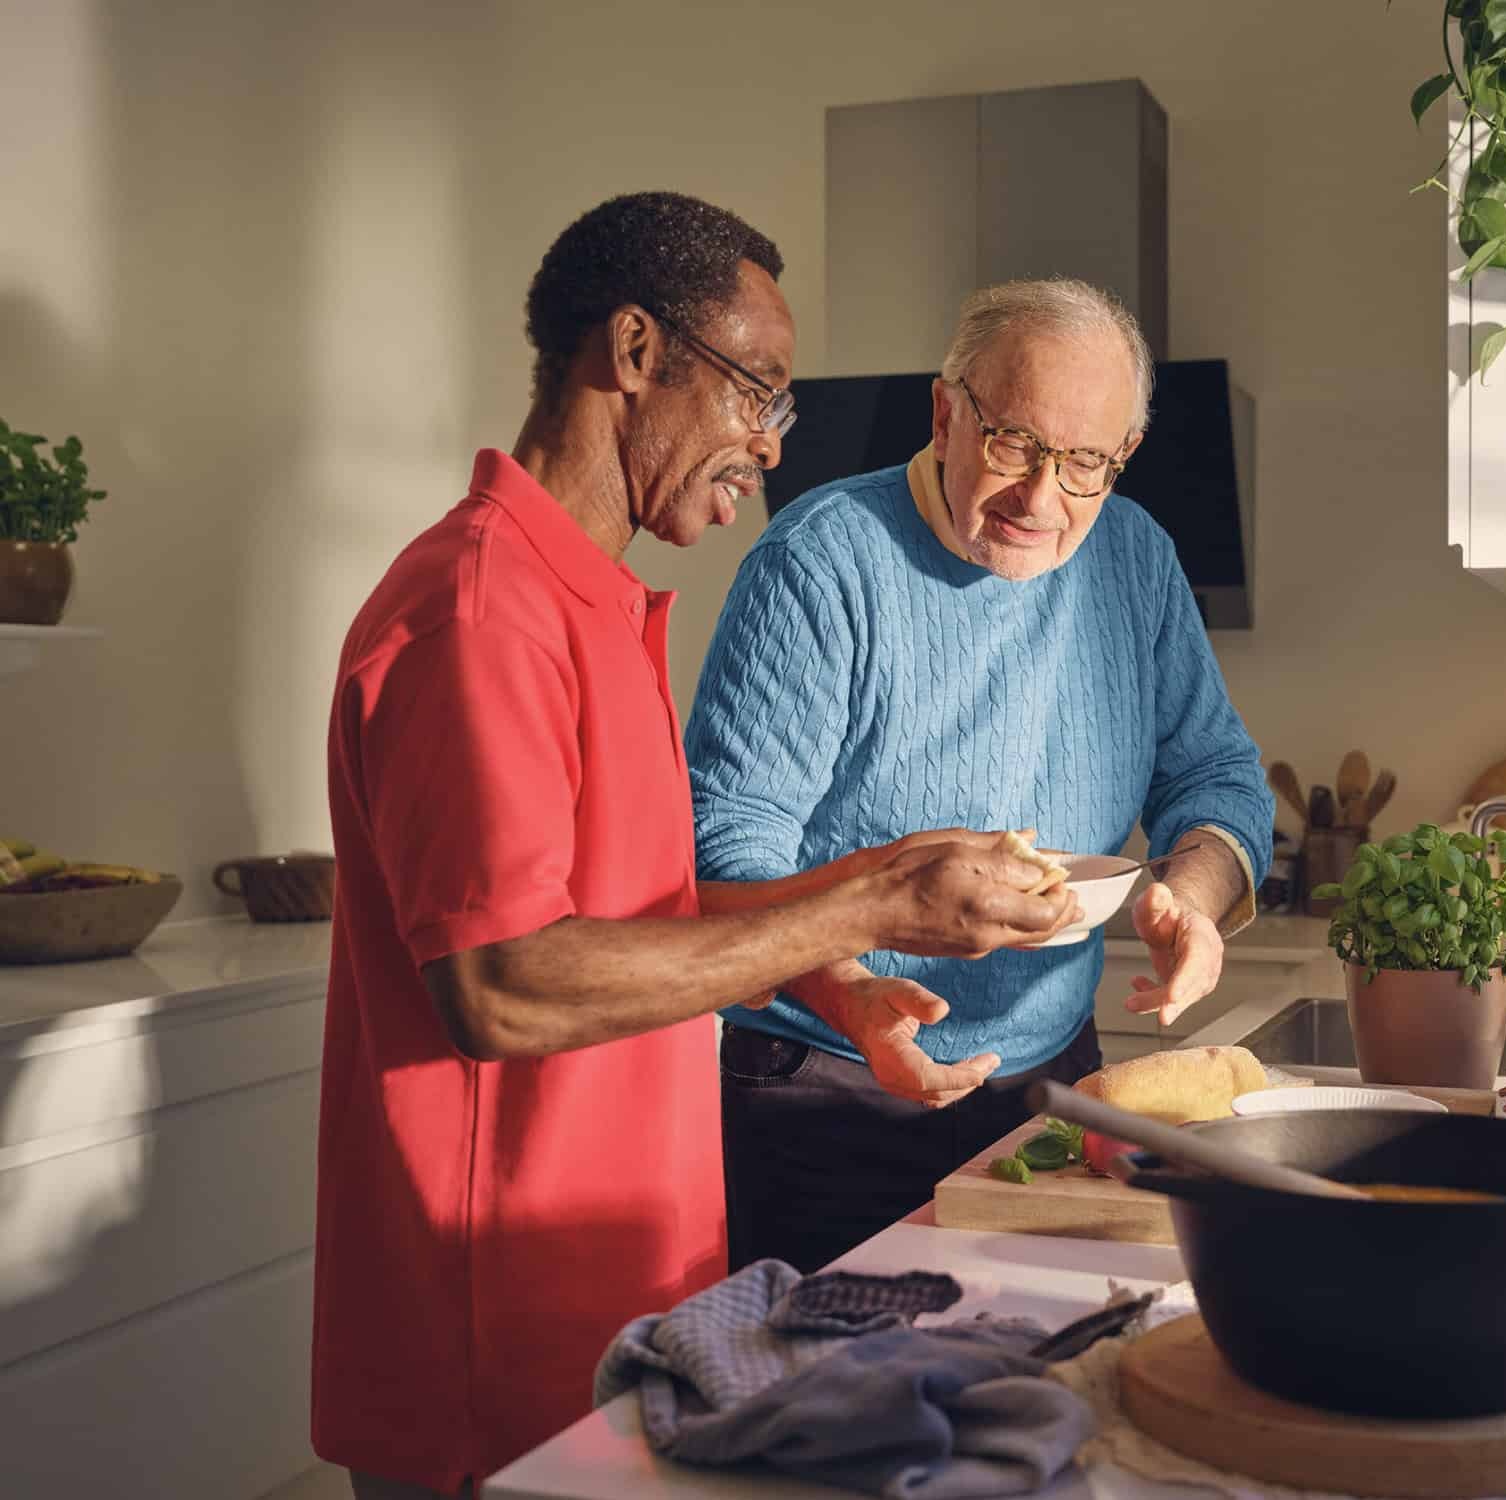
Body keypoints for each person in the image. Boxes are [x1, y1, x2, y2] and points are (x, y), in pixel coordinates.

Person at [313, 194, 1077, 1500]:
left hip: (622, 1304)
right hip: (495, 1350)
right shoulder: (479, 614)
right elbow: (505, 983)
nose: (767, 451)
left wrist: (837, 970)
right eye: (757, 393)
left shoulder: (589, 605)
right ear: (634, 351)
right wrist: (866, 902)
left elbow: (639, 911)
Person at [686, 276, 1276, 1275]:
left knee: (1055, 1382)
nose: (1040, 500)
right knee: (837, 1406)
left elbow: (1215, 775)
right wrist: (849, 997)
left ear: (1120, 458)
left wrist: (1195, 896)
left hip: (1054, 1077)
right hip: (826, 1090)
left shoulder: (1133, 559)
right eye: (1012, 445)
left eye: (1084, 462)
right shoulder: (820, 563)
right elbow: (721, 854)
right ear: (944, 414)